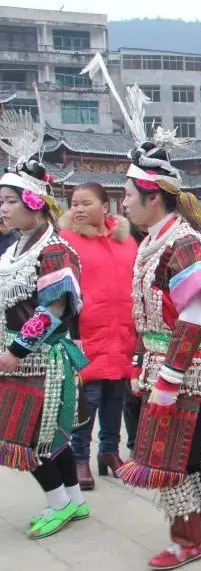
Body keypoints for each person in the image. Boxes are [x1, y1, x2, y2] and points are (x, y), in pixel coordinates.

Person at [119, 136, 201, 571]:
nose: (123, 204)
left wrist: (168, 378)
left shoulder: (184, 244)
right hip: (160, 363)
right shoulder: (153, 241)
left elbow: (191, 320)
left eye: (128, 196)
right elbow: (144, 314)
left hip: (183, 369)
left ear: (153, 197)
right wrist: (138, 363)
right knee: (185, 455)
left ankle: (188, 539)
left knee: (173, 457)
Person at [0, 155, 88, 540]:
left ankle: (58, 503)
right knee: (48, 435)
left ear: (34, 203)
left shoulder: (53, 250)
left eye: (9, 200)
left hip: (40, 359)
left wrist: (15, 351)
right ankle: (72, 498)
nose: (2, 208)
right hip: (20, 354)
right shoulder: (16, 248)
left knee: (28, 435)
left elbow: (51, 311)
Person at [60, 182, 138, 489]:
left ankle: (109, 452)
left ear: (106, 207)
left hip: (121, 329)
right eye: (74, 203)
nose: (78, 208)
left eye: (86, 202)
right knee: (87, 397)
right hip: (85, 331)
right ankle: (80, 457)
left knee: (115, 394)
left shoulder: (126, 241)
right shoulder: (66, 241)